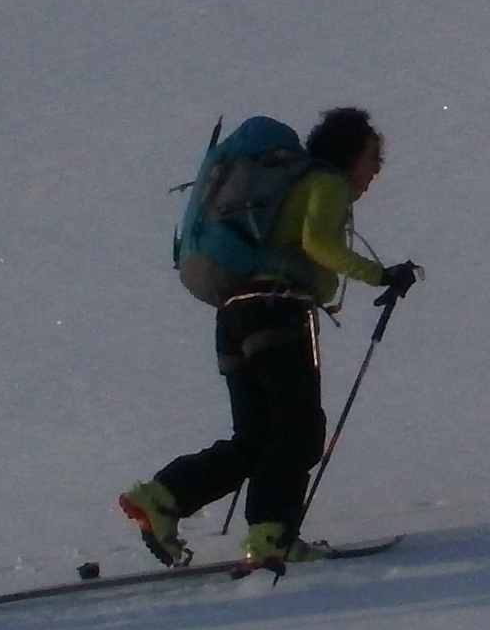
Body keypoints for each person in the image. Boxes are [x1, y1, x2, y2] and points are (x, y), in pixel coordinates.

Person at [120, 106, 417, 574]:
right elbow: (320, 243)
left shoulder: (292, 182)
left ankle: (163, 497)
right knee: (297, 430)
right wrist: (380, 275)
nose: (377, 169)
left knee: (256, 435)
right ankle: (271, 536)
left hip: (234, 312)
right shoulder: (327, 183)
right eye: (374, 156)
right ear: (351, 152)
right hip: (277, 310)